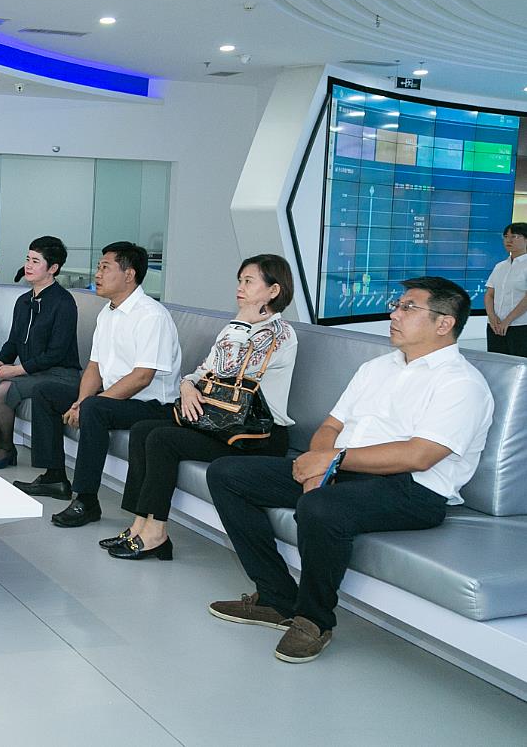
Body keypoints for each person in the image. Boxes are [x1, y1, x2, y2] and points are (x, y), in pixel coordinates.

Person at [207, 276, 492, 664]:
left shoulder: (461, 383)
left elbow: (420, 455)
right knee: (227, 474)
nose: (394, 314)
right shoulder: (377, 367)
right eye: (397, 305)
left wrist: (331, 461)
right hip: (343, 471)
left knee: (321, 507)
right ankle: (276, 598)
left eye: (408, 308)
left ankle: (314, 620)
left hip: (413, 490)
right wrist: (318, 469)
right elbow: (331, 426)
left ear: (444, 323)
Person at [106, 254, 298, 561]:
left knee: (162, 439)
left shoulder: (280, 334)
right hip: (221, 423)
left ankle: (156, 533)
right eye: (240, 281)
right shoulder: (236, 327)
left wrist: (240, 323)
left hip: (257, 435)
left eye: (249, 282)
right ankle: (139, 524)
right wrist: (186, 386)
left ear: (273, 290)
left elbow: (230, 371)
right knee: (143, 430)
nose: (240, 288)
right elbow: (203, 370)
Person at [47, 241, 182, 528]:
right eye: (98, 267)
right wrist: (81, 401)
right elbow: (94, 366)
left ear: (129, 275)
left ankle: (86, 500)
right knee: (49, 393)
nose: (97, 274)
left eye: (105, 268)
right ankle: (53, 475)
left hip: (153, 406)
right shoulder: (107, 312)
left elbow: (142, 377)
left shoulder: (151, 315)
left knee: (95, 409)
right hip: (116, 399)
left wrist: (93, 403)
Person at [0, 236, 82, 471]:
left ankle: (6, 448)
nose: (28, 266)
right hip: (32, 371)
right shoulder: (24, 301)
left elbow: (56, 354)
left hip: (59, 374)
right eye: (28, 259)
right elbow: (13, 342)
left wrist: (15, 370)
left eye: (36, 261)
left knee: (2, 389)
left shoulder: (64, 302)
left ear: (53, 268)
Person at [485, 222, 527, 358]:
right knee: (496, 363)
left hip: (520, 327)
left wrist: (508, 321)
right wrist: (492, 317)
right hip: (495, 326)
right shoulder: (500, 266)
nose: (509, 240)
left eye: (514, 236)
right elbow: (489, 294)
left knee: (520, 365)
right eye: (506, 236)